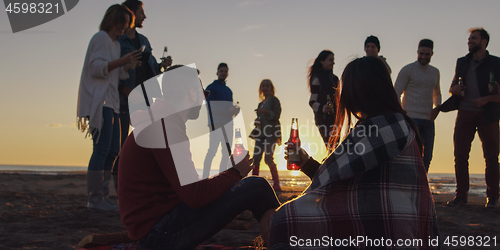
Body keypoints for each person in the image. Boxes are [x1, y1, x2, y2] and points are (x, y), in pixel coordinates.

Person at [269, 56, 439, 248]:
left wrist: (307, 165)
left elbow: (332, 177)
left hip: (389, 228)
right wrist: (306, 162)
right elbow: (343, 177)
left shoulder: (380, 128)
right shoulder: (397, 123)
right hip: (405, 225)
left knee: (283, 221)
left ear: (357, 91)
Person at [118, 65, 280, 249]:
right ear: (191, 94)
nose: (204, 100)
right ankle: (284, 242)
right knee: (257, 187)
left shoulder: (159, 121)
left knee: (250, 187)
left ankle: (277, 240)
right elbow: (195, 196)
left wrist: (230, 174)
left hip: (152, 228)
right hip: (157, 234)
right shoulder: (164, 127)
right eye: (203, 93)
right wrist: (236, 173)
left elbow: (190, 189)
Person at [76, 4, 141, 211]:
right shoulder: (101, 38)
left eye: (127, 24)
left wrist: (126, 67)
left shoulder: (113, 43)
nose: (124, 28)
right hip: (100, 100)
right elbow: (96, 68)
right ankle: (95, 199)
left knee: (113, 149)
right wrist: (121, 61)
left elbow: (112, 73)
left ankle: (102, 197)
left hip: (111, 102)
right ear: (113, 20)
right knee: (102, 148)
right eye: (122, 23)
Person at [112, 0, 173, 194]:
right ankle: (119, 191)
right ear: (131, 13)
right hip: (123, 100)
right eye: (141, 12)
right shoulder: (118, 41)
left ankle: (143, 188)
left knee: (148, 145)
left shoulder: (144, 40)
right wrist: (125, 90)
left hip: (147, 101)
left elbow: (150, 70)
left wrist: (163, 66)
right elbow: (112, 70)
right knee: (119, 146)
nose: (144, 17)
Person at [446, 28, 500, 208]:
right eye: (469, 38)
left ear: (484, 41)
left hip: (488, 113)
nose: (469, 41)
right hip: (465, 112)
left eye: (473, 39)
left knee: (491, 156)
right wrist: (453, 89)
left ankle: (492, 197)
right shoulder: (462, 62)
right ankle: (461, 196)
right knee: (460, 155)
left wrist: (488, 98)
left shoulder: (496, 63)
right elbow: (454, 84)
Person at [394, 39, 441, 173]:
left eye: (427, 54)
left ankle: (422, 184)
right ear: (417, 52)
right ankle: (409, 183)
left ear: (432, 53)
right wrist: (401, 112)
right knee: (409, 154)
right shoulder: (408, 70)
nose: (423, 57)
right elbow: (396, 91)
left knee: (427, 156)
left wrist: (437, 107)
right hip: (410, 118)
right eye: (421, 54)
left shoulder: (435, 72)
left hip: (428, 120)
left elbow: (437, 93)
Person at [203, 63, 240, 179]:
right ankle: (204, 177)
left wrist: (235, 111)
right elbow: (209, 106)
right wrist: (227, 109)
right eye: (221, 71)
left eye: (225, 71)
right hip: (216, 123)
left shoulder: (229, 91)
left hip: (228, 123)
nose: (223, 73)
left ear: (227, 73)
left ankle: (221, 178)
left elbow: (230, 110)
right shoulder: (211, 88)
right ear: (217, 72)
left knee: (226, 153)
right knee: (212, 151)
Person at [251, 79, 282, 192]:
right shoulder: (261, 103)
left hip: (271, 132)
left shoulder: (274, 100)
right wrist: (257, 121)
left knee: (268, 158)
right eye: (263, 86)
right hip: (260, 133)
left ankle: (277, 184)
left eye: (267, 86)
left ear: (271, 88)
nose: (265, 88)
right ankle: (254, 183)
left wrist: (264, 111)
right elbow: (260, 119)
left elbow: (277, 115)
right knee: (256, 158)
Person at [308, 50, 339, 148]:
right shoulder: (317, 79)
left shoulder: (335, 79)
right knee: (332, 146)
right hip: (323, 120)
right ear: (322, 61)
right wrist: (323, 108)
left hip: (336, 119)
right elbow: (312, 102)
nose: (333, 63)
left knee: (337, 146)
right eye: (330, 60)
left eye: (333, 60)